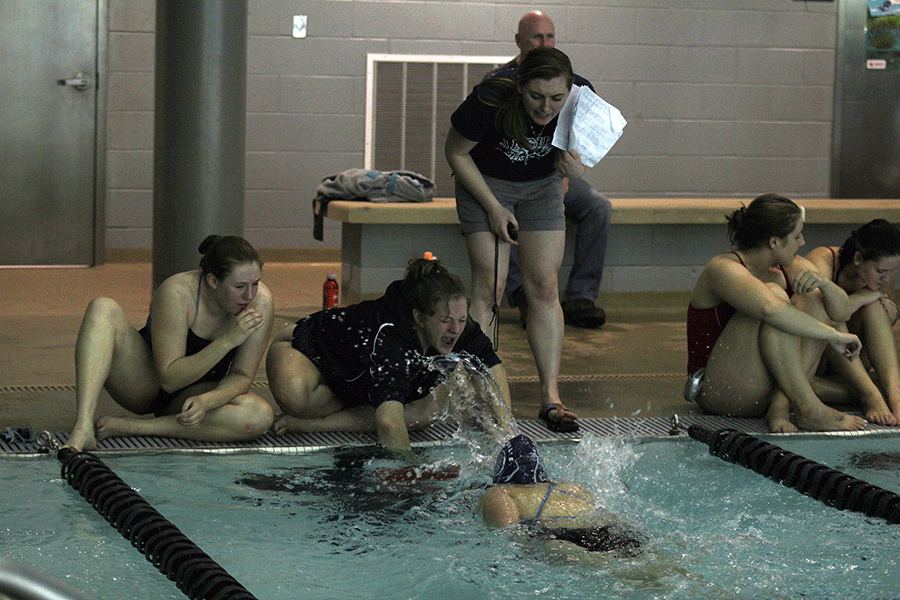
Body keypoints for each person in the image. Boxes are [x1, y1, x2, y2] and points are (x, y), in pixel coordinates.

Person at [445, 46, 581, 433]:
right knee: (490, 286)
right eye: (536, 96)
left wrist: (579, 167)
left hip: (542, 185)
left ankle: (551, 397)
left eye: (556, 98)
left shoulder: (579, 97)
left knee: (543, 284)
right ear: (520, 86)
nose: (545, 108)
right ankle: (479, 395)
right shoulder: (490, 97)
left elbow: (586, 153)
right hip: (485, 181)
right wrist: (492, 207)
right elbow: (454, 151)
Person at [265, 258, 512, 453]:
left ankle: (315, 424)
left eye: (461, 320)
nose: (455, 330)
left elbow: (492, 368)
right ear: (419, 318)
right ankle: (330, 409)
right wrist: (407, 474)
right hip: (305, 352)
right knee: (299, 401)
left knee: (427, 412)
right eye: (446, 321)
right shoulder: (390, 339)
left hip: (357, 378)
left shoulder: (457, 324)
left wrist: (510, 435)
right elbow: (389, 424)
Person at [66, 235, 275, 451]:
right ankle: (83, 426)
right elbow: (169, 379)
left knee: (259, 416)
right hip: (145, 382)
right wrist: (228, 340)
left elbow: (242, 376)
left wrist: (207, 401)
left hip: (194, 394)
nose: (249, 295)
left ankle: (137, 427)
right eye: (239, 286)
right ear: (212, 281)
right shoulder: (178, 293)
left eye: (255, 284)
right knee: (102, 308)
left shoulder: (261, 302)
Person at [686, 193, 869, 433]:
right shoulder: (723, 269)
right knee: (775, 297)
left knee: (814, 298)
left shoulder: (790, 265)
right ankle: (808, 406)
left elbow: (840, 311)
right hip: (720, 392)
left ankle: (781, 408)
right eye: (796, 236)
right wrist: (832, 336)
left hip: (765, 389)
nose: (803, 242)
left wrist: (827, 285)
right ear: (774, 242)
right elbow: (770, 309)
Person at [497, 10, 611, 330]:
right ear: (520, 41)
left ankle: (581, 296)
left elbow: (589, 141)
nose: (544, 43)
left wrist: (569, 171)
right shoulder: (501, 84)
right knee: (510, 210)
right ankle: (523, 294)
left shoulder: (576, 84)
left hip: (556, 176)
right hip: (512, 178)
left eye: (550, 36)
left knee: (598, 207)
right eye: (537, 37)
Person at [477, 434, 643, 555]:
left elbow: (507, 537)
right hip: (617, 531)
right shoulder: (572, 488)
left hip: (568, 539)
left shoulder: (500, 493)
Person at [806, 219, 900, 425]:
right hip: (816, 359)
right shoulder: (823, 260)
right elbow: (822, 311)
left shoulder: (884, 274)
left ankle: (895, 397)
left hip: (854, 359)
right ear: (858, 258)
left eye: (893, 271)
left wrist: (888, 313)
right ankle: (870, 395)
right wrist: (860, 297)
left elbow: (887, 318)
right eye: (881, 272)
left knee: (874, 307)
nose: (887, 279)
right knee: (828, 307)